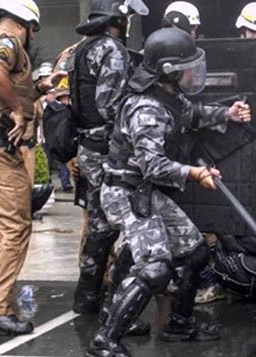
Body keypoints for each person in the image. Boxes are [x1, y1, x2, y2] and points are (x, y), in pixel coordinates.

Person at [88, 27, 251, 356]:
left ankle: (180, 323)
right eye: (188, 66)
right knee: (156, 268)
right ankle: (105, 339)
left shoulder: (168, 96)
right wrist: (194, 172)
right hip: (126, 193)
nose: (193, 72)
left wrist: (227, 113)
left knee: (195, 252)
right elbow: (152, 165)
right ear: (169, 70)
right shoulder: (146, 109)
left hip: (145, 191)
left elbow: (192, 114)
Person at [0, 0, 54, 335]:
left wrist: (37, 89)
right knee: (16, 225)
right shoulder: (8, 42)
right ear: (28, 25)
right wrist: (18, 109)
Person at [70, 0, 148, 316]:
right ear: (118, 18)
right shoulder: (111, 50)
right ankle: (115, 306)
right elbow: (109, 104)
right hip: (106, 149)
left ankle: (87, 297)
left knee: (99, 225)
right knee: (123, 224)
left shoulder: (81, 48)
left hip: (88, 146)